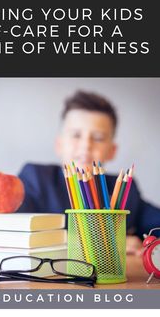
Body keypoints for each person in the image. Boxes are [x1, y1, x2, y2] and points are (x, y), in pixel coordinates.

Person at [17, 90, 160, 255]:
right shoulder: (36, 178)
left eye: (98, 138)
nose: (86, 145)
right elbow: (15, 231)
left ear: (112, 151)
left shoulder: (124, 189)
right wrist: (110, 242)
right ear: (59, 144)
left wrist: (142, 243)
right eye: (76, 135)